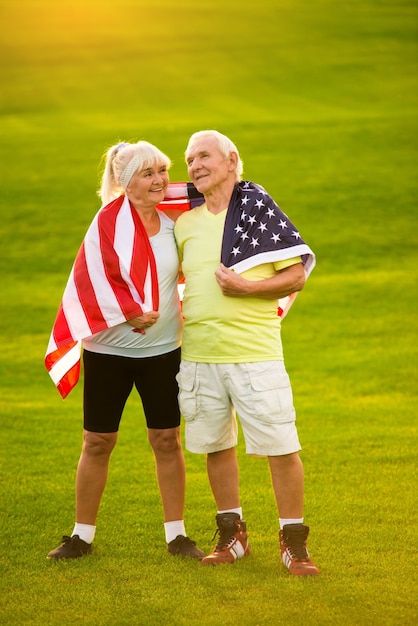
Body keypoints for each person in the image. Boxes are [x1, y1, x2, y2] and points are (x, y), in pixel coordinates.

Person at [45, 140, 204, 561]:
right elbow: (93, 280)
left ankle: (177, 535)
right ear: (124, 181)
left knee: (166, 439)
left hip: (163, 351)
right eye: (148, 173)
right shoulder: (106, 224)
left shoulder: (176, 222)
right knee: (97, 441)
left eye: (162, 171)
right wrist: (130, 311)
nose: (159, 181)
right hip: (108, 353)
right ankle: (81, 536)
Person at [174, 130, 319, 575]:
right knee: (215, 446)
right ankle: (232, 536)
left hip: (255, 355)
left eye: (203, 156)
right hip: (200, 356)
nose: (194, 165)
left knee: (281, 445)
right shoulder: (183, 224)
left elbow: (295, 276)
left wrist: (246, 287)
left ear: (231, 159)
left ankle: (294, 542)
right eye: (189, 160)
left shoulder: (255, 211)